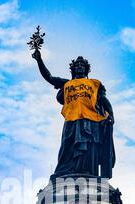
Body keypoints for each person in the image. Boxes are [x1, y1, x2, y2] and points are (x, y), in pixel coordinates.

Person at [32, 49, 115, 179]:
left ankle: (88, 172)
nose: (80, 67)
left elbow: (103, 100)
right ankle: (65, 171)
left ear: (87, 69)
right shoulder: (67, 84)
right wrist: (39, 60)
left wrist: (111, 114)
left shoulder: (94, 83)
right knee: (67, 145)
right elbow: (49, 77)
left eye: (82, 65)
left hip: (91, 119)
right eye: (77, 65)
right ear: (73, 69)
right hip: (71, 119)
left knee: (88, 146)